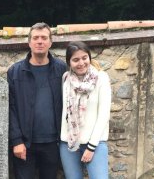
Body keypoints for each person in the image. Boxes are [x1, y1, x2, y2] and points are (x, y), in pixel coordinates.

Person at [8, 22, 67, 179]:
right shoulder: (15, 72)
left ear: (50, 42)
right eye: (35, 38)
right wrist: (16, 140)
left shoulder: (62, 69)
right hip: (25, 144)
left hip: (53, 143)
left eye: (44, 38)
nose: (40, 41)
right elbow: (10, 108)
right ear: (29, 42)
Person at [59, 41, 111, 179]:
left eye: (84, 58)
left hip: (95, 143)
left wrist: (91, 147)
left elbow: (103, 115)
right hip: (68, 143)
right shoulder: (65, 79)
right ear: (69, 62)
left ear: (89, 58)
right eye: (75, 60)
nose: (81, 63)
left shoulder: (101, 78)